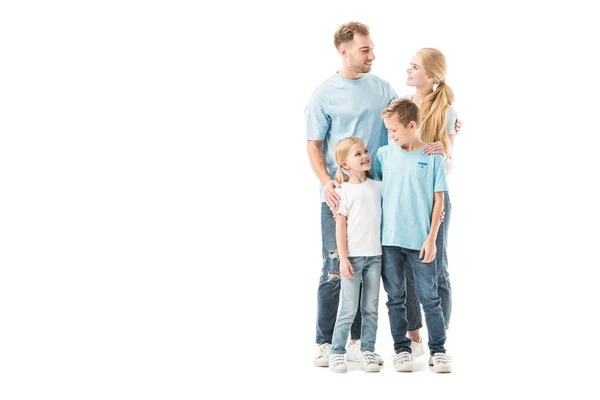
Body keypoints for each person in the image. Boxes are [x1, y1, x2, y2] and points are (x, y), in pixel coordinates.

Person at [305, 21, 396, 367]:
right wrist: (327, 181)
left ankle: (357, 341)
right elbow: (313, 145)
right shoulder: (323, 94)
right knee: (334, 267)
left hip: (376, 196)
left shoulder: (383, 88)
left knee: (369, 266)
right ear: (344, 52)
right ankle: (325, 342)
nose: (372, 55)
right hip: (339, 197)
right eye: (365, 50)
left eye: (371, 48)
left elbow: (407, 120)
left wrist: (449, 124)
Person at [375, 98, 452, 373]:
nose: (390, 135)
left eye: (394, 130)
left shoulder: (432, 157)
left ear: (412, 125)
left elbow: (439, 202)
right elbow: (376, 191)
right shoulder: (384, 154)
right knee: (395, 297)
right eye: (387, 130)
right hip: (389, 241)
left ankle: (439, 350)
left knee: (429, 297)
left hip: (421, 242)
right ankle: (402, 350)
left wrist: (431, 238)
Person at [402, 48, 459, 358]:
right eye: (410, 65)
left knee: (437, 266)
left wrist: (443, 152)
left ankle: (440, 338)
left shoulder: (447, 111)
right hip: (407, 197)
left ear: (432, 76)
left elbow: (450, 165)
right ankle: (414, 338)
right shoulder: (403, 105)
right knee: (407, 267)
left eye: (415, 67)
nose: (409, 71)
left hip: (436, 197)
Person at [328, 137, 383, 373]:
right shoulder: (343, 191)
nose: (365, 156)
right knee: (349, 308)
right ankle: (337, 352)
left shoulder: (378, 186)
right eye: (357, 154)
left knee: (371, 308)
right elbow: (340, 225)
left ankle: (367, 351)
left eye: (366, 151)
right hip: (353, 258)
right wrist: (343, 258)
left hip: (376, 257)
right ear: (345, 164)